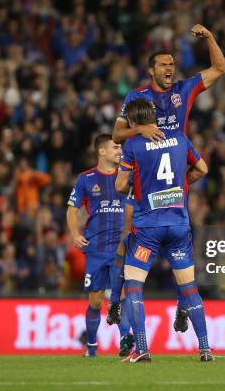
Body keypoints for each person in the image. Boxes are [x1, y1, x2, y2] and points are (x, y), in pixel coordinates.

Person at [109, 23, 225, 333]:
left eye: (172, 65)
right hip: (144, 182)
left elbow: (220, 68)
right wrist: (140, 129)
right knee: (131, 233)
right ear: (151, 70)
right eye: (164, 64)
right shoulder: (137, 96)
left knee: (181, 246)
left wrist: (210, 37)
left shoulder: (183, 90)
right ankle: (118, 301)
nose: (170, 69)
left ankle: (181, 306)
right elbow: (116, 134)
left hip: (174, 184)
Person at [114, 99, 211, 363]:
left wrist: (138, 186)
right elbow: (202, 169)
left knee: (133, 287)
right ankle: (205, 349)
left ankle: (142, 347)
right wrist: (180, 187)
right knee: (189, 288)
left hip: (147, 227)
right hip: (179, 224)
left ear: (134, 123)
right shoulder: (180, 138)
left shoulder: (133, 144)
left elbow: (121, 184)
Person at [66, 134, 133, 357]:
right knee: (95, 301)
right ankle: (91, 346)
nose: (119, 151)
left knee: (121, 295)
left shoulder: (126, 178)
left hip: (120, 248)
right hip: (95, 248)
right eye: (115, 147)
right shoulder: (85, 179)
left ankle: (125, 341)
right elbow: (72, 210)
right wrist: (75, 234)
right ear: (101, 151)